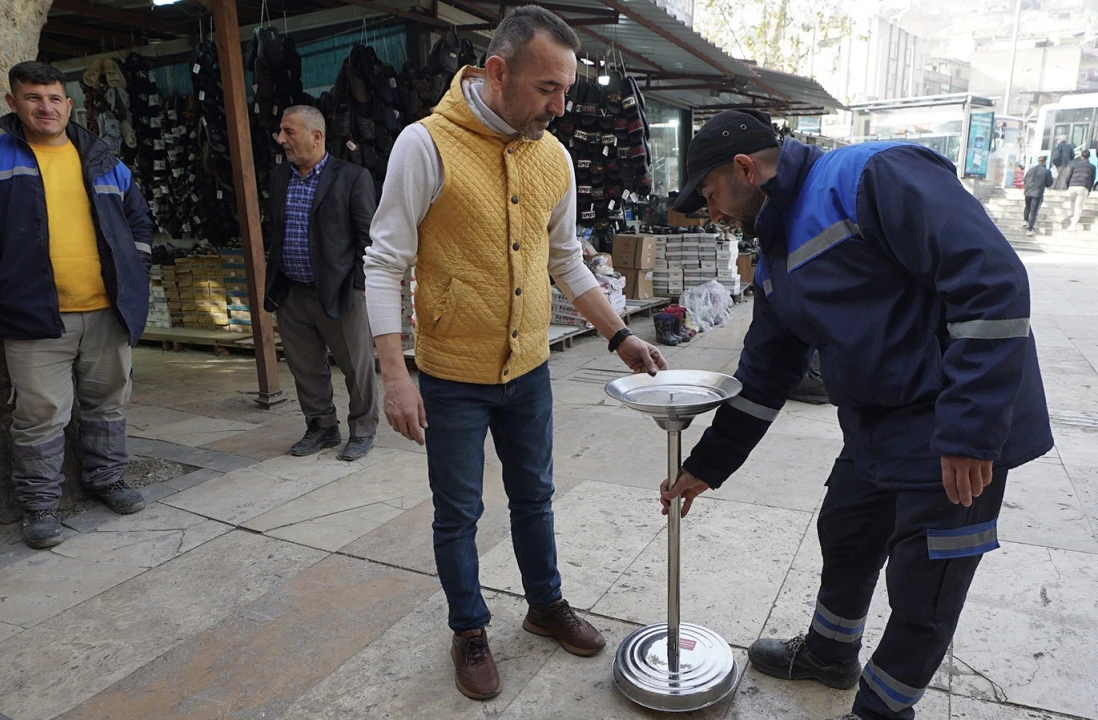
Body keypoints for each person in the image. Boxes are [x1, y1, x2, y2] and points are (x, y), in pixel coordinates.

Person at [664, 110, 1052, 720]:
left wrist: (972, 430)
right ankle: (829, 653)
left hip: (954, 416)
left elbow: (993, 281)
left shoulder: (872, 175)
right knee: (846, 530)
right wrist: (706, 466)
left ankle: (882, 710)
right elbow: (765, 374)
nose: (711, 213)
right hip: (877, 421)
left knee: (926, 586)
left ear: (744, 169)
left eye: (710, 195)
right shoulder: (775, 253)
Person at [364, 5, 667, 701]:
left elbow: (567, 260)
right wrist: (394, 374)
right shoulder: (424, 145)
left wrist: (620, 335)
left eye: (566, 90)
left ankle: (545, 604)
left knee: (535, 496)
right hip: (451, 375)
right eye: (547, 89)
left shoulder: (552, 156)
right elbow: (384, 264)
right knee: (458, 512)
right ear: (497, 72)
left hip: (529, 369)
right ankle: (469, 629)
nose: (559, 107)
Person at [0, 61, 154, 549]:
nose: (46, 107)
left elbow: (139, 221)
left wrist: (134, 270)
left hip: (108, 311)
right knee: (40, 415)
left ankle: (107, 481)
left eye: (54, 98)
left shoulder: (103, 159)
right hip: (33, 314)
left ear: (69, 104)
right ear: (12, 103)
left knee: (108, 403)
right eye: (33, 98)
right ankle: (39, 506)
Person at [263, 106, 379, 461]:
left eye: (289, 132)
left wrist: (359, 285)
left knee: (356, 366)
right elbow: (276, 229)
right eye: (280, 131)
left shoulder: (352, 177)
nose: (281, 139)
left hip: (340, 291)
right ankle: (322, 426)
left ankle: (363, 429)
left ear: (316, 136)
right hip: (292, 292)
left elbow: (368, 237)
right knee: (305, 367)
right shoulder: (279, 177)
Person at [1061, 149, 1096, 230]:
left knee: (1073, 202)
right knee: (1079, 206)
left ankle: (1072, 216)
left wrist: (1068, 186)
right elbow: (1092, 179)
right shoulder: (1092, 167)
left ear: (1081, 156)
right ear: (1089, 156)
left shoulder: (1075, 165)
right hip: (1083, 187)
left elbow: (1068, 176)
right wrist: (1089, 189)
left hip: (1072, 186)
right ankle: (1073, 225)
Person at [1022, 155, 1050, 235]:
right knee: (1034, 211)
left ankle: (1025, 220)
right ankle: (1030, 229)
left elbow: (1025, 180)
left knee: (1027, 207)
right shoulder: (1046, 171)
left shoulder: (1030, 170)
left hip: (1028, 191)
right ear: (1045, 161)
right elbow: (1049, 183)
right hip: (1037, 193)